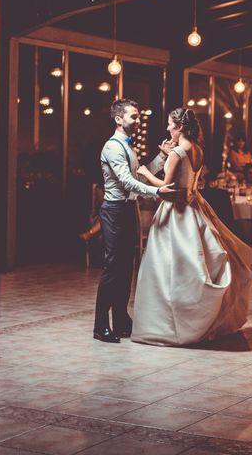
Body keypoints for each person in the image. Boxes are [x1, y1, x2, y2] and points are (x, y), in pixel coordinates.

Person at [132, 108, 252, 346]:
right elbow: (185, 179)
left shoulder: (178, 152)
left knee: (169, 269)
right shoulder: (197, 150)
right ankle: (198, 319)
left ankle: (172, 325)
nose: (167, 129)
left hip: (176, 215)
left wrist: (145, 171)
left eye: (170, 125)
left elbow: (166, 188)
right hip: (194, 209)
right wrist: (168, 157)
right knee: (192, 266)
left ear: (179, 127)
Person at [94, 98, 177, 343]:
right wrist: (157, 192)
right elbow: (126, 182)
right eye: (134, 116)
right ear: (118, 119)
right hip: (113, 210)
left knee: (126, 267)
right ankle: (101, 326)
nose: (138, 120)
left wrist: (161, 158)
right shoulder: (112, 147)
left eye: (139, 116)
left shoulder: (129, 147)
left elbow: (139, 172)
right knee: (112, 268)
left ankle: (120, 320)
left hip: (128, 208)